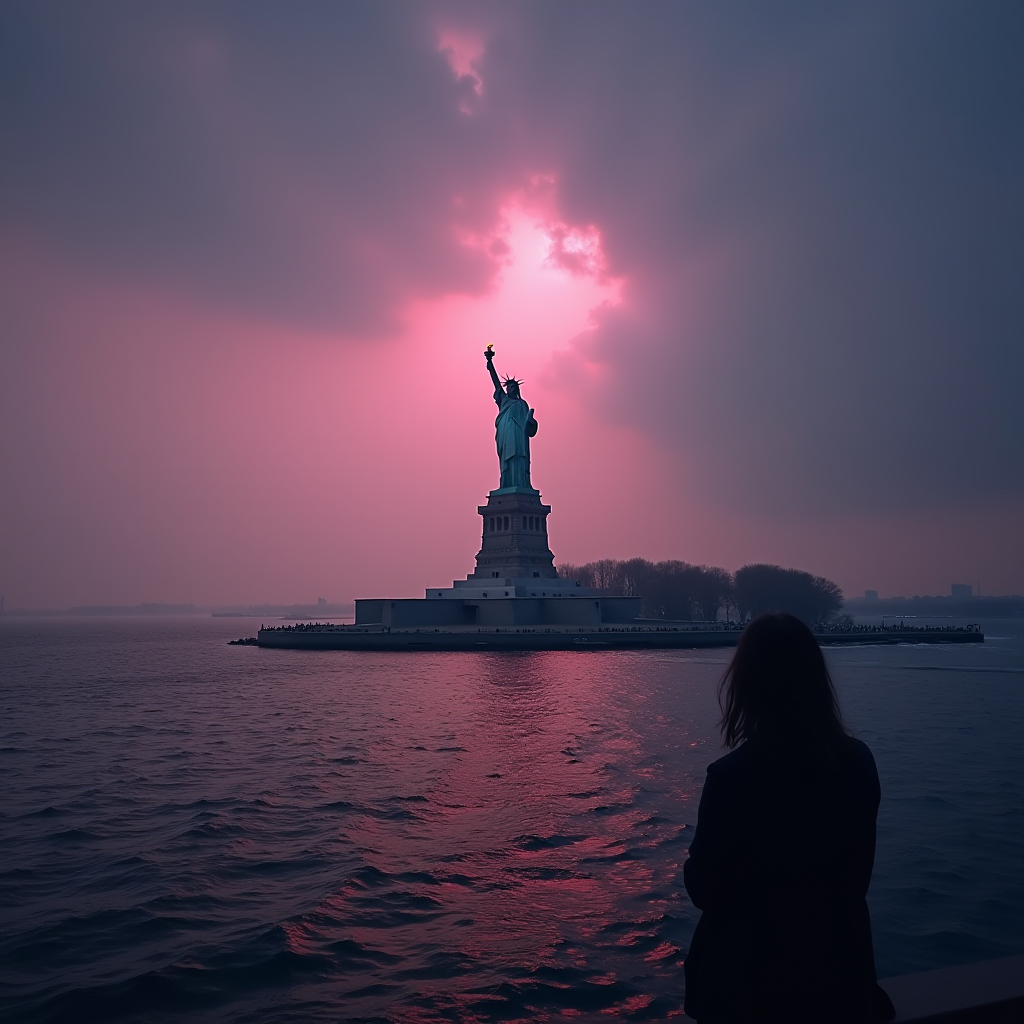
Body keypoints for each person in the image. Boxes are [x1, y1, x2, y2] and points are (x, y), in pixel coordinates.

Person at [683, 613, 895, 1023]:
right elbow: (859, 875)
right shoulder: (860, 762)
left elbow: (704, 890)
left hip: (751, 990)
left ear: (746, 686)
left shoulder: (731, 778)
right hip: (839, 979)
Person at [485, 345, 537, 490]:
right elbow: (495, 382)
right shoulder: (504, 400)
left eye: (514, 387)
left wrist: (532, 421)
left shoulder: (522, 404)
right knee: (507, 459)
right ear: (507, 389)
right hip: (506, 433)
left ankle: (522, 484)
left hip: (520, 436)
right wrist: (490, 363)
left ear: (518, 389)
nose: (512, 389)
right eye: (510, 387)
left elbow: (529, 427)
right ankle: (506, 484)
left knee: (519, 458)